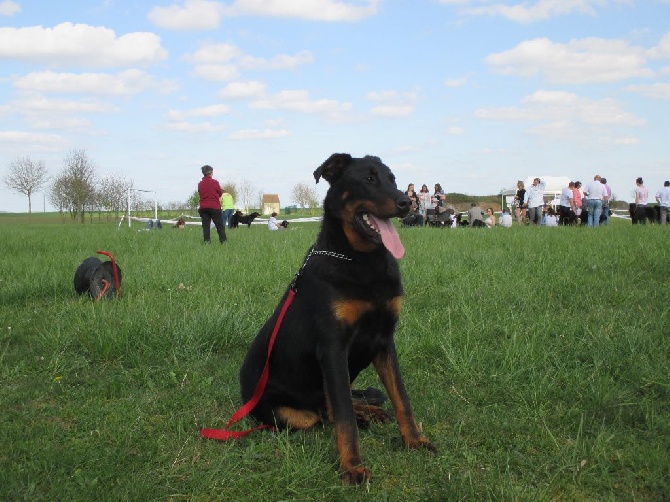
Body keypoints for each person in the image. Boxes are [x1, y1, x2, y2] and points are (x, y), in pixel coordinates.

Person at [197, 164, 227, 244]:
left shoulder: (200, 184)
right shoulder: (215, 182)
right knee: (219, 225)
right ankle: (223, 242)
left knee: (206, 226)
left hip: (203, 207)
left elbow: (200, 193)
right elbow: (220, 193)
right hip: (214, 207)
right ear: (211, 173)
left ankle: (207, 242)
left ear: (203, 173)